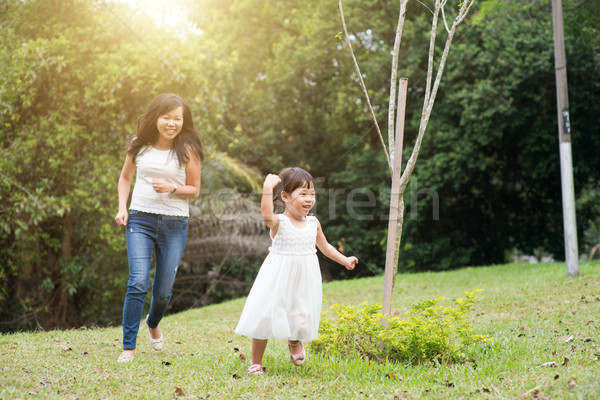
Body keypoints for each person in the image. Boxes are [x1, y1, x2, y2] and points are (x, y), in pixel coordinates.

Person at [235, 167, 358, 375]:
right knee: (264, 317)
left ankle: (294, 340)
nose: (309, 199)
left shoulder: (313, 223)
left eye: (312, 194)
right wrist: (267, 189)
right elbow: (266, 214)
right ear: (285, 196)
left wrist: (344, 260)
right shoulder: (279, 222)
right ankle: (256, 361)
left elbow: (325, 247)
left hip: (304, 276)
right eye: (303, 194)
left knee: (301, 315)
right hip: (277, 276)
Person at [114, 93, 203, 362]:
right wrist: (122, 207)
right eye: (167, 117)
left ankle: (153, 323)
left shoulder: (188, 149)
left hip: (174, 223)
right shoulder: (138, 145)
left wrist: (172, 187)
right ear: (156, 117)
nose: (172, 123)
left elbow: (195, 190)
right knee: (138, 281)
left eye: (178, 118)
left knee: (163, 290)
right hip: (140, 219)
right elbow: (125, 178)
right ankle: (128, 347)